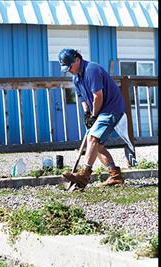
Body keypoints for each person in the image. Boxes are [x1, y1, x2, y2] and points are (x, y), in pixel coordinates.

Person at [59, 48, 126, 188]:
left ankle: (84, 174)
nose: (69, 70)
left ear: (77, 59)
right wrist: (87, 114)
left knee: (92, 138)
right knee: (97, 145)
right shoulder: (76, 77)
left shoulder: (91, 69)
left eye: (70, 66)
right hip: (99, 110)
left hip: (111, 109)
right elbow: (82, 97)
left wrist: (94, 115)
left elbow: (98, 96)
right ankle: (116, 175)